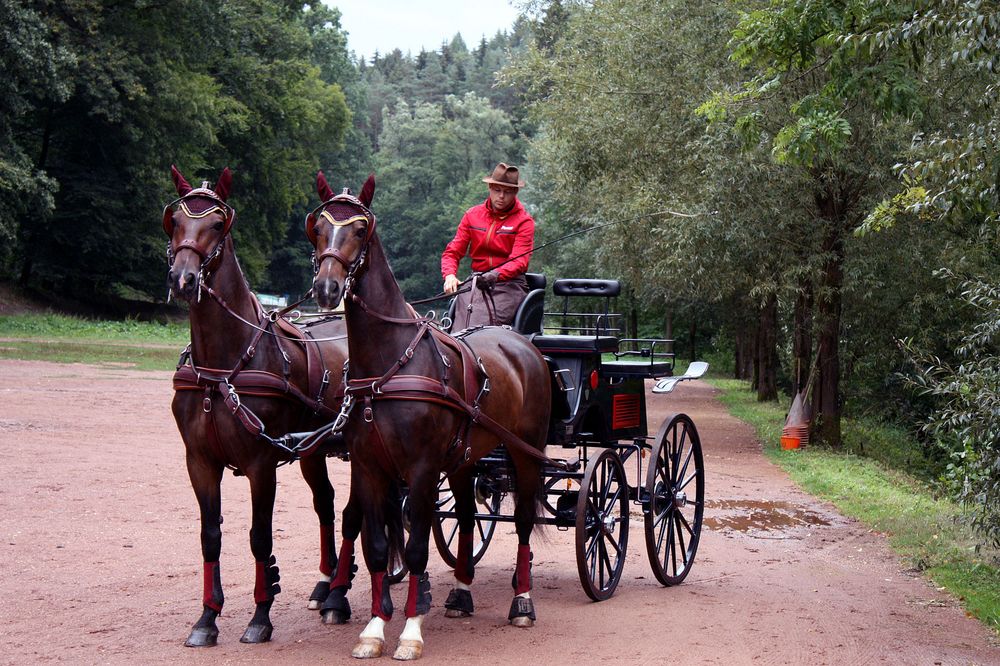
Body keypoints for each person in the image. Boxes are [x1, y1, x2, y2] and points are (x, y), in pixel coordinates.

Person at [441, 162, 536, 330]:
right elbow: (452, 252)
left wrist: (496, 274)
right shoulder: (472, 215)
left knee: (478, 326)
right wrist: (449, 275)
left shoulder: (524, 221)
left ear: (515, 192)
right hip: (476, 282)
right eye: (497, 190)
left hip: (509, 285)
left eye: (507, 192)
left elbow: (519, 261)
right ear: (490, 188)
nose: (501, 196)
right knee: (456, 329)